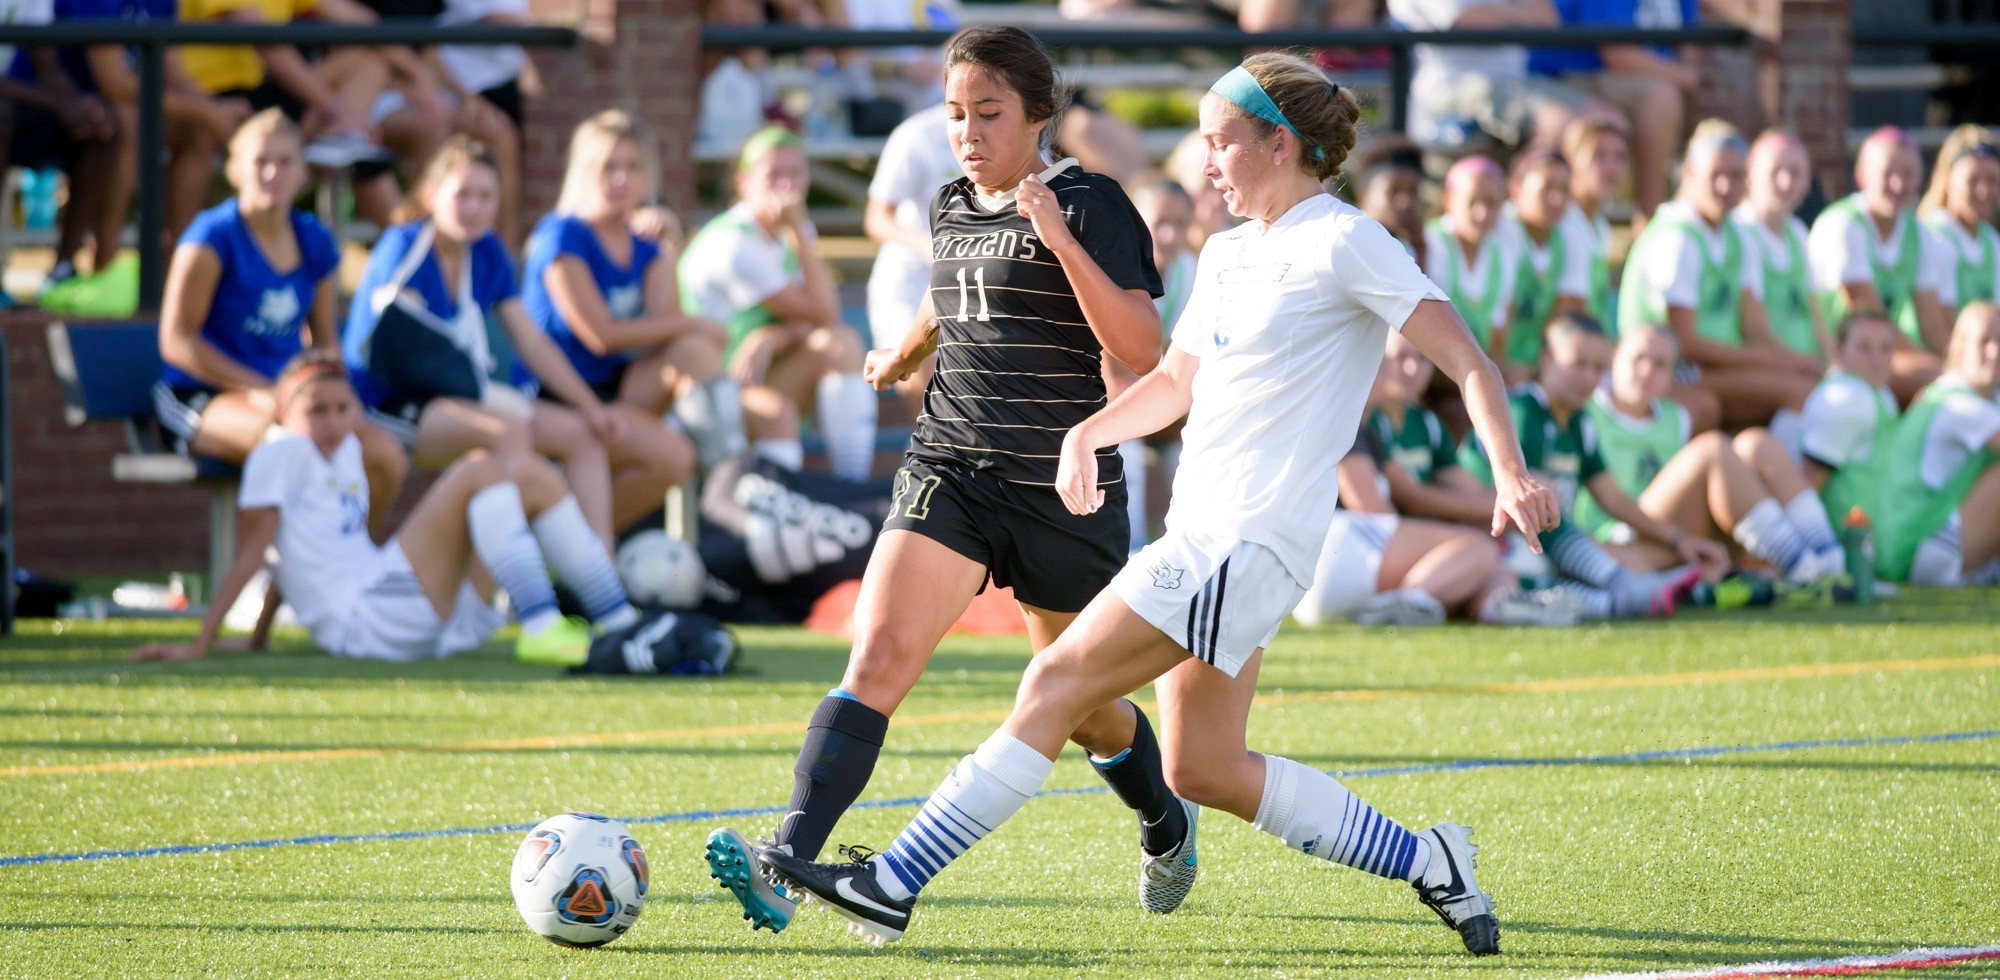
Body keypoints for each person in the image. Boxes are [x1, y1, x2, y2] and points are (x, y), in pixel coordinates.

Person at [756, 50, 1564, 955]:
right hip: (1208, 532)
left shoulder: (1342, 237)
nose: (1206, 162)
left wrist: (1508, 470)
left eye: (1222, 143)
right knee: (1202, 766)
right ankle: (1432, 863)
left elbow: (1469, 361)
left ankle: (891, 883)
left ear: (1281, 144)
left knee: (1054, 682)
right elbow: (1175, 379)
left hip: (1248, 539)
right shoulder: (1226, 253)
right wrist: (1087, 434)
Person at [703, 26, 1189, 936]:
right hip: (950, 467)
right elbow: (949, 288)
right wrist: (902, 353)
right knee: (878, 657)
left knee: (1083, 710)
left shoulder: (1090, 202)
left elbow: (1141, 348)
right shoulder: (951, 201)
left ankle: (1164, 816)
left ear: (1040, 116)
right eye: (955, 112)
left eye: (989, 113)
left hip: (1062, 487)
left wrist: (1054, 236)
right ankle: (789, 856)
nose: (966, 131)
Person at [132, 352, 641, 664]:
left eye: (343, 408)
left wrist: (259, 638)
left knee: (531, 472)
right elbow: (254, 553)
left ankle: (617, 617)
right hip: (368, 622)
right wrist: (202, 642)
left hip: (403, 611)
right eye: (317, 410)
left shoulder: (348, 448)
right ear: (286, 412)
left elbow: (292, 560)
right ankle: (539, 624)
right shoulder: (279, 452)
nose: (333, 421)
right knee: (480, 466)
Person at [341, 136, 631, 549]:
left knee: (582, 435)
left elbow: (531, 341)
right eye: (463, 195)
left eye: (486, 196)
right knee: (509, 433)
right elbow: (389, 346)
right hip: (385, 402)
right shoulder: (403, 246)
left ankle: (601, 580)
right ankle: (499, 587)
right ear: (431, 195)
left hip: (459, 395)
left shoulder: (488, 252)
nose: (474, 208)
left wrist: (591, 407)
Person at [152, 110, 407, 536]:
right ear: (235, 170)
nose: (273, 172)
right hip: (201, 396)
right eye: (260, 161)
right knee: (292, 448)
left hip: (290, 398)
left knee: (383, 452)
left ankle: (346, 560)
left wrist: (338, 401)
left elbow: (323, 341)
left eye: (286, 161)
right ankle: (265, 585)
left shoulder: (314, 240)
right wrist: (264, 390)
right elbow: (177, 341)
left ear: (303, 171)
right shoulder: (212, 236)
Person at [522, 110, 740, 532]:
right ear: (584, 172)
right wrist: (691, 324)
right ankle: (563, 552)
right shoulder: (562, 235)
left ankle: (731, 472)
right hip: (555, 397)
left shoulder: (643, 240)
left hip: (616, 389)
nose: (621, 179)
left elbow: (666, 324)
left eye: (632, 167)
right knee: (674, 447)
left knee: (692, 356)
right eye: (609, 167)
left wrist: (667, 250)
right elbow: (600, 336)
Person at [1458, 313, 1716, 617]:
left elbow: (1613, 498)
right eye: (1579, 364)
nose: (1589, 378)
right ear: (1547, 359)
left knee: (1599, 557)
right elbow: (1495, 495)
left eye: (1598, 368)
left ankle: (1622, 599)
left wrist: (1677, 539)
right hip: (1491, 536)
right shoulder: (1522, 411)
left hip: (1544, 545)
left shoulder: (1581, 422)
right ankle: (1625, 589)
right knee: (1544, 507)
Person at [679, 125, 879, 482]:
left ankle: (853, 483)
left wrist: (771, 338)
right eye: (773, 175)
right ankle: (777, 509)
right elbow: (822, 311)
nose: (787, 187)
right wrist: (799, 233)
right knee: (778, 411)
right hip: (709, 388)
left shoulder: (794, 229)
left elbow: (824, 321)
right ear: (743, 182)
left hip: (758, 372)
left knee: (842, 343)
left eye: (796, 174)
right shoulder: (734, 244)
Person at [1577, 325, 1846, 582]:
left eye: (1660, 364)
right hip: (1622, 534)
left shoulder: (1676, 418)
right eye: (1638, 358)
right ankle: (1802, 568)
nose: (1647, 370)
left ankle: (1828, 555)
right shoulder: (1587, 413)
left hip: (1676, 534)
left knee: (1756, 443)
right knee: (1712, 449)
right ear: (1614, 359)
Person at [1620, 120, 1818, 430]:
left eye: (1736, 176)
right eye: (1716, 175)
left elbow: (1755, 328)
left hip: (1711, 368)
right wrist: (1766, 362)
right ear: (1689, 173)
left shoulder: (1737, 235)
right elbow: (1684, 344)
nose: (1726, 186)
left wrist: (1795, 361)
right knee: (1797, 393)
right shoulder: (1678, 238)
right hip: (1668, 371)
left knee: (1806, 383)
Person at [1296, 423, 1582, 628]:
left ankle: (1494, 603)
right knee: (1479, 550)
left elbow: (1464, 494)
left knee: (1486, 570)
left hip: (1331, 576)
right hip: (1333, 555)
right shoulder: (1354, 422)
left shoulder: (1421, 422)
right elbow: (1374, 508)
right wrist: (1511, 502)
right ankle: (1410, 600)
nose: (1409, 370)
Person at [1527, 0, 1697, 227]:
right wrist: (1684, 77)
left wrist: (1686, 75)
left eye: (1620, 159)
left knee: (1660, 101)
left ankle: (1645, 224)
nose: (1613, 166)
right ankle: (1578, 225)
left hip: (1635, 84)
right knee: (1614, 120)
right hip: (1574, 77)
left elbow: (1692, 49)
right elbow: (1617, 53)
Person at [1809, 126, 1953, 394]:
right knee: (1946, 382)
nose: (1898, 184)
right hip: (1839, 361)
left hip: (1883, 355)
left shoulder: (1919, 232)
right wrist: (1944, 371)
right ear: (1862, 175)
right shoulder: (1842, 224)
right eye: (1887, 173)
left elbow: (1932, 323)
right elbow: (1867, 315)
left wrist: (1957, 363)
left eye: (1908, 174)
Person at [1, 1, 122, 301]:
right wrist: (61, 104)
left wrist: (81, 108)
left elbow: (47, 64)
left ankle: (63, 271)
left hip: (15, 103)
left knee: (104, 125)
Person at [1875, 301, 2000, 586]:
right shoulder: (1956, 402)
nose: (1994, 351)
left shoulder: (1979, 398)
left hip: (1925, 544)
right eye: (1984, 341)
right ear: (1958, 349)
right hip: (1916, 550)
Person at [1387, 0, 1599, 151]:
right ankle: (1535, 204)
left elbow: (1547, 17)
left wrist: (1495, 14)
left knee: (1605, 120)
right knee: (1559, 124)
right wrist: (1516, 12)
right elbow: (1466, 21)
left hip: (1519, 81)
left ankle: (1580, 214)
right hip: (1453, 86)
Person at [863, 95, 958, 401]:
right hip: (910, 283)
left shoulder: (1023, 135)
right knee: (922, 381)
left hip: (974, 280)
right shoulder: (916, 134)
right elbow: (876, 218)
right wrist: (924, 245)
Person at [1733, 129, 1829, 363]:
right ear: (1750, 175)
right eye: (1775, 171)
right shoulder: (1740, 230)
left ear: (1808, 182)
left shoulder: (1797, 232)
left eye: (1795, 173)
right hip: (1771, 370)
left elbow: (1817, 318)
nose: (1785, 183)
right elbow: (1754, 332)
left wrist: (1835, 365)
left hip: (1805, 368)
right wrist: (1801, 366)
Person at [1798, 309, 1900, 528]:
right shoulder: (1848, 400)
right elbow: (1806, 487)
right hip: (1852, 548)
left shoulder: (1877, 393)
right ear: (1838, 350)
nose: (1877, 358)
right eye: (1864, 347)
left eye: (1885, 348)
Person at [1424, 156, 1518, 377]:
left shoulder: (1502, 255)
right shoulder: (1432, 244)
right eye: (1472, 202)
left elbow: (1497, 338)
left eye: (1491, 203)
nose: (1482, 213)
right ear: (1449, 201)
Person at [1496, 148, 1589, 369]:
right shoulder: (1502, 231)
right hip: (1496, 366)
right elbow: (1498, 318)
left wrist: (1537, 371)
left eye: (1564, 190)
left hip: (1535, 369)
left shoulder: (1572, 232)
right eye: (1547, 188)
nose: (1557, 199)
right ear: (1516, 188)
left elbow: (1569, 316)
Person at [1918, 125, 2000, 314]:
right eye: (1973, 180)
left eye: (1992, 180)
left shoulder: (1991, 241)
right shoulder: (1933, 235)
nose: (1984, 191)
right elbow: (1940, 328)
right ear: (1946, 179)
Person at [1559, 116, 1629, 326]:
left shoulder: (1599, 226)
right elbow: (1570, 316)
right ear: (1571, 160)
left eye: (1620, 157)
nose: (1611, 168)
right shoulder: (1564, 224)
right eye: (1599, 155)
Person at [1358, 159, 1427, 269]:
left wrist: (1420, 250)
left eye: (1413, 191)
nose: (1406, 202)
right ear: (1364, 198)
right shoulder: (1354, 242)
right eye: (1393, 191)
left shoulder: (1406, 245)